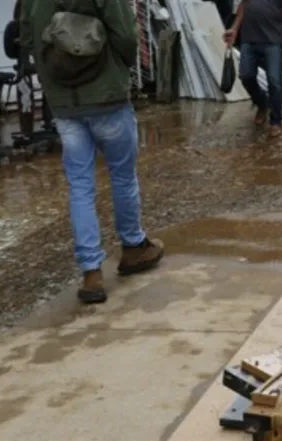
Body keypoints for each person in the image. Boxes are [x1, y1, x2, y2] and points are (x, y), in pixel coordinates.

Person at [20, 0, 165, 304]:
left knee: (80, 186)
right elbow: (125, 36)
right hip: (108, 96)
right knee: (123, 177)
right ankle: (133, 246)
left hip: (64, 103)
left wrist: (54, 72)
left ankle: (91, 273)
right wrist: (119, 68)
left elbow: (30, 38)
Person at [225, 0, 282, 137]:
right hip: (249, 40)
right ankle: (262, 103)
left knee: (274, 82)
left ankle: (276, 121)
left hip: (272, 41)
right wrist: (234, 29)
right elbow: (244, 5)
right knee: (245, 75)